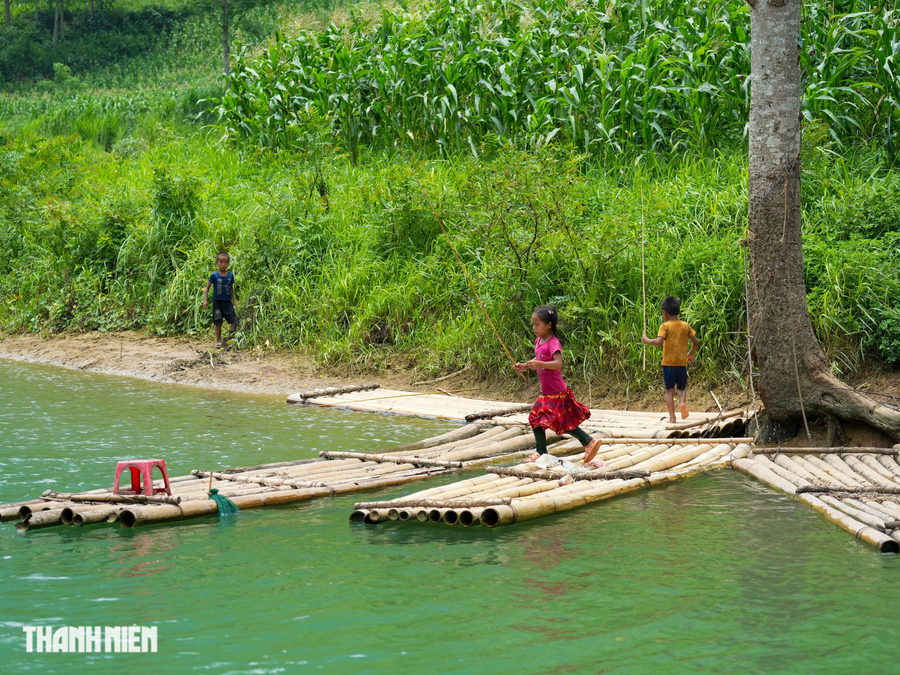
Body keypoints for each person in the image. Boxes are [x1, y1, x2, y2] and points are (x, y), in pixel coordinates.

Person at [515, 305, 604, 468]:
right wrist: (525, 366)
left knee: (543, 420)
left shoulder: (553, 342)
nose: (534, 328)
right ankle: (584, 442)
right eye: (533, 324)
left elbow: (557, 364)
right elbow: (539, 361)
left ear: (548, 325)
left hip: (556, 391)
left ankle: (585, 442)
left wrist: (539, 363)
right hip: (548, 393)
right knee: (542, 420)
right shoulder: (538, 341)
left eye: (537, 324)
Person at [641, 296, 700, 423]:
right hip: (681, 363)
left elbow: (658, 342)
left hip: (668, 364)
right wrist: (691, 354)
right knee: (681, 388)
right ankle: (682, 402)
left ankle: (672, 418)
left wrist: (647, 340)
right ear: (679, 312)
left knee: (669, 390)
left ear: (664, 313)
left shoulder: (665, 326)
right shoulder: (685, 325)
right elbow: (696, 342)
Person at [202, 252, 237, 348]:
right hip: (217, 302)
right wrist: (205, 300)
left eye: (226, 262)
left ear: (229, 263)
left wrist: (233, 301)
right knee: (218, 322)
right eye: (221, 262)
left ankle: (231, 339)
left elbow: (231, 288)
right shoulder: (214, 276)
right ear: (217, 262)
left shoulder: (230, 275)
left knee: (233, 321)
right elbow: (207, 288)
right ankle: (219, 341)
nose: (223, 264)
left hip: (227, 302)